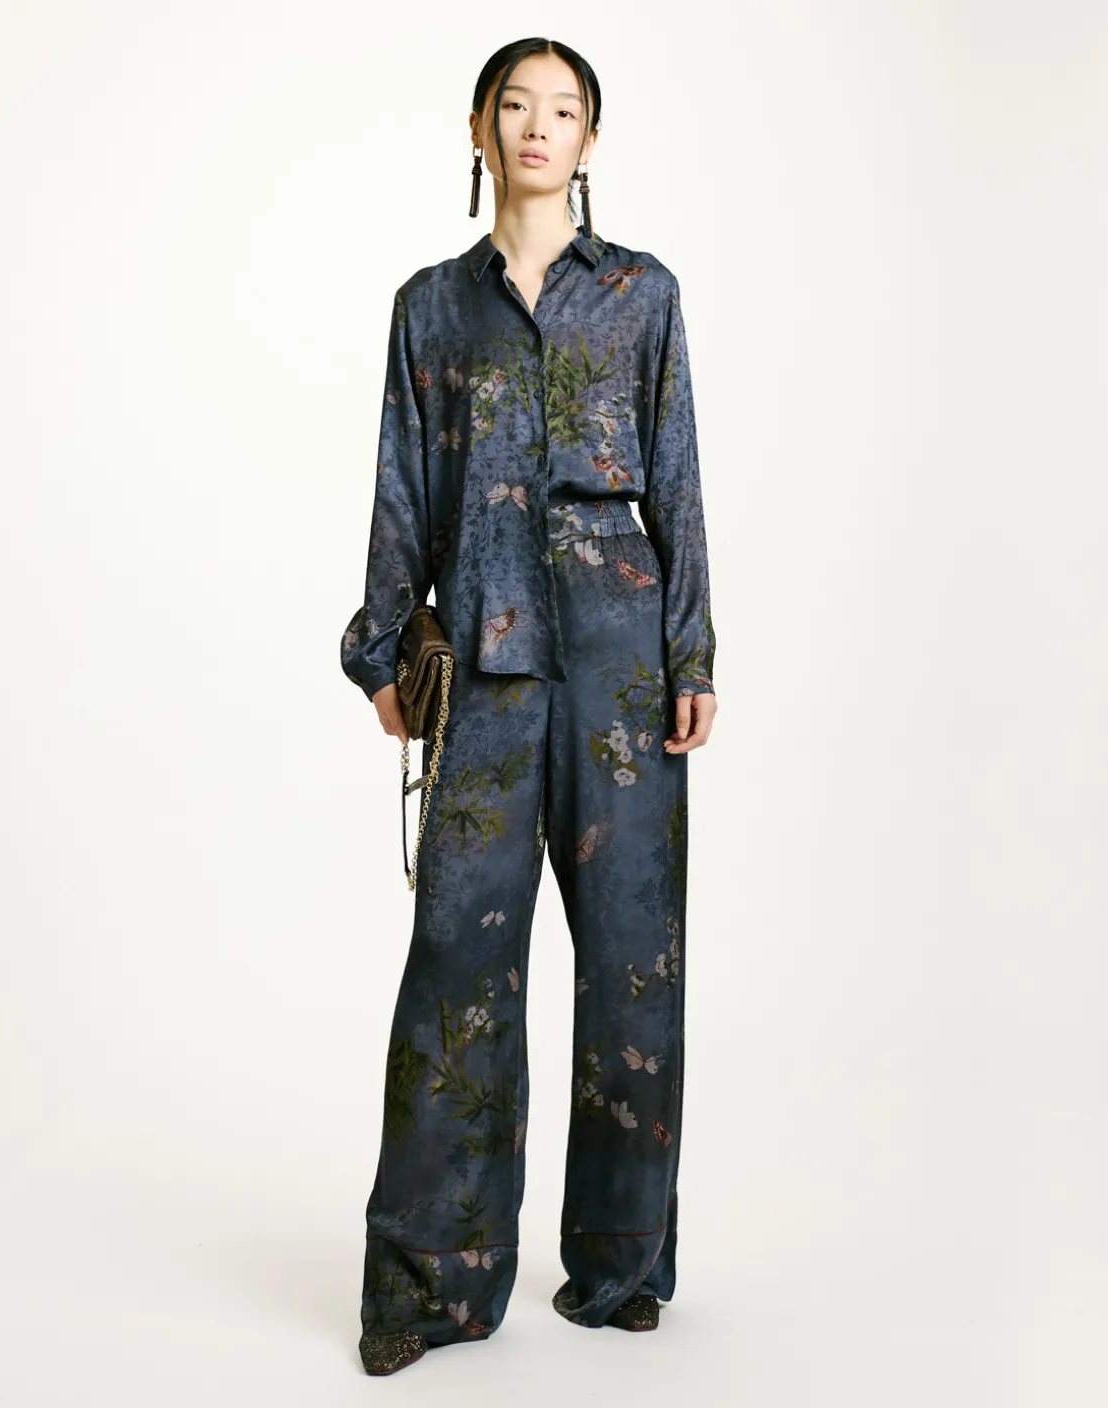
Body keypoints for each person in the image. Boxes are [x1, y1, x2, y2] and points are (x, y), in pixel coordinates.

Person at [340, 37, 718, 1377]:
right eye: (518, 107)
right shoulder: (431, 309)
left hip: (622, 665)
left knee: (633, 967)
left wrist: (692, 656)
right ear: (480, 128)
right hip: (488, 667)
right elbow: (401, 486)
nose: (540, 128)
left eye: (565, 111)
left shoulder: (642, 296)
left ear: (591, 141)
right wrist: (385, 649)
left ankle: (620, 1269)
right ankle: (430, 1286)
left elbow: (678, 478)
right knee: (457, 966)